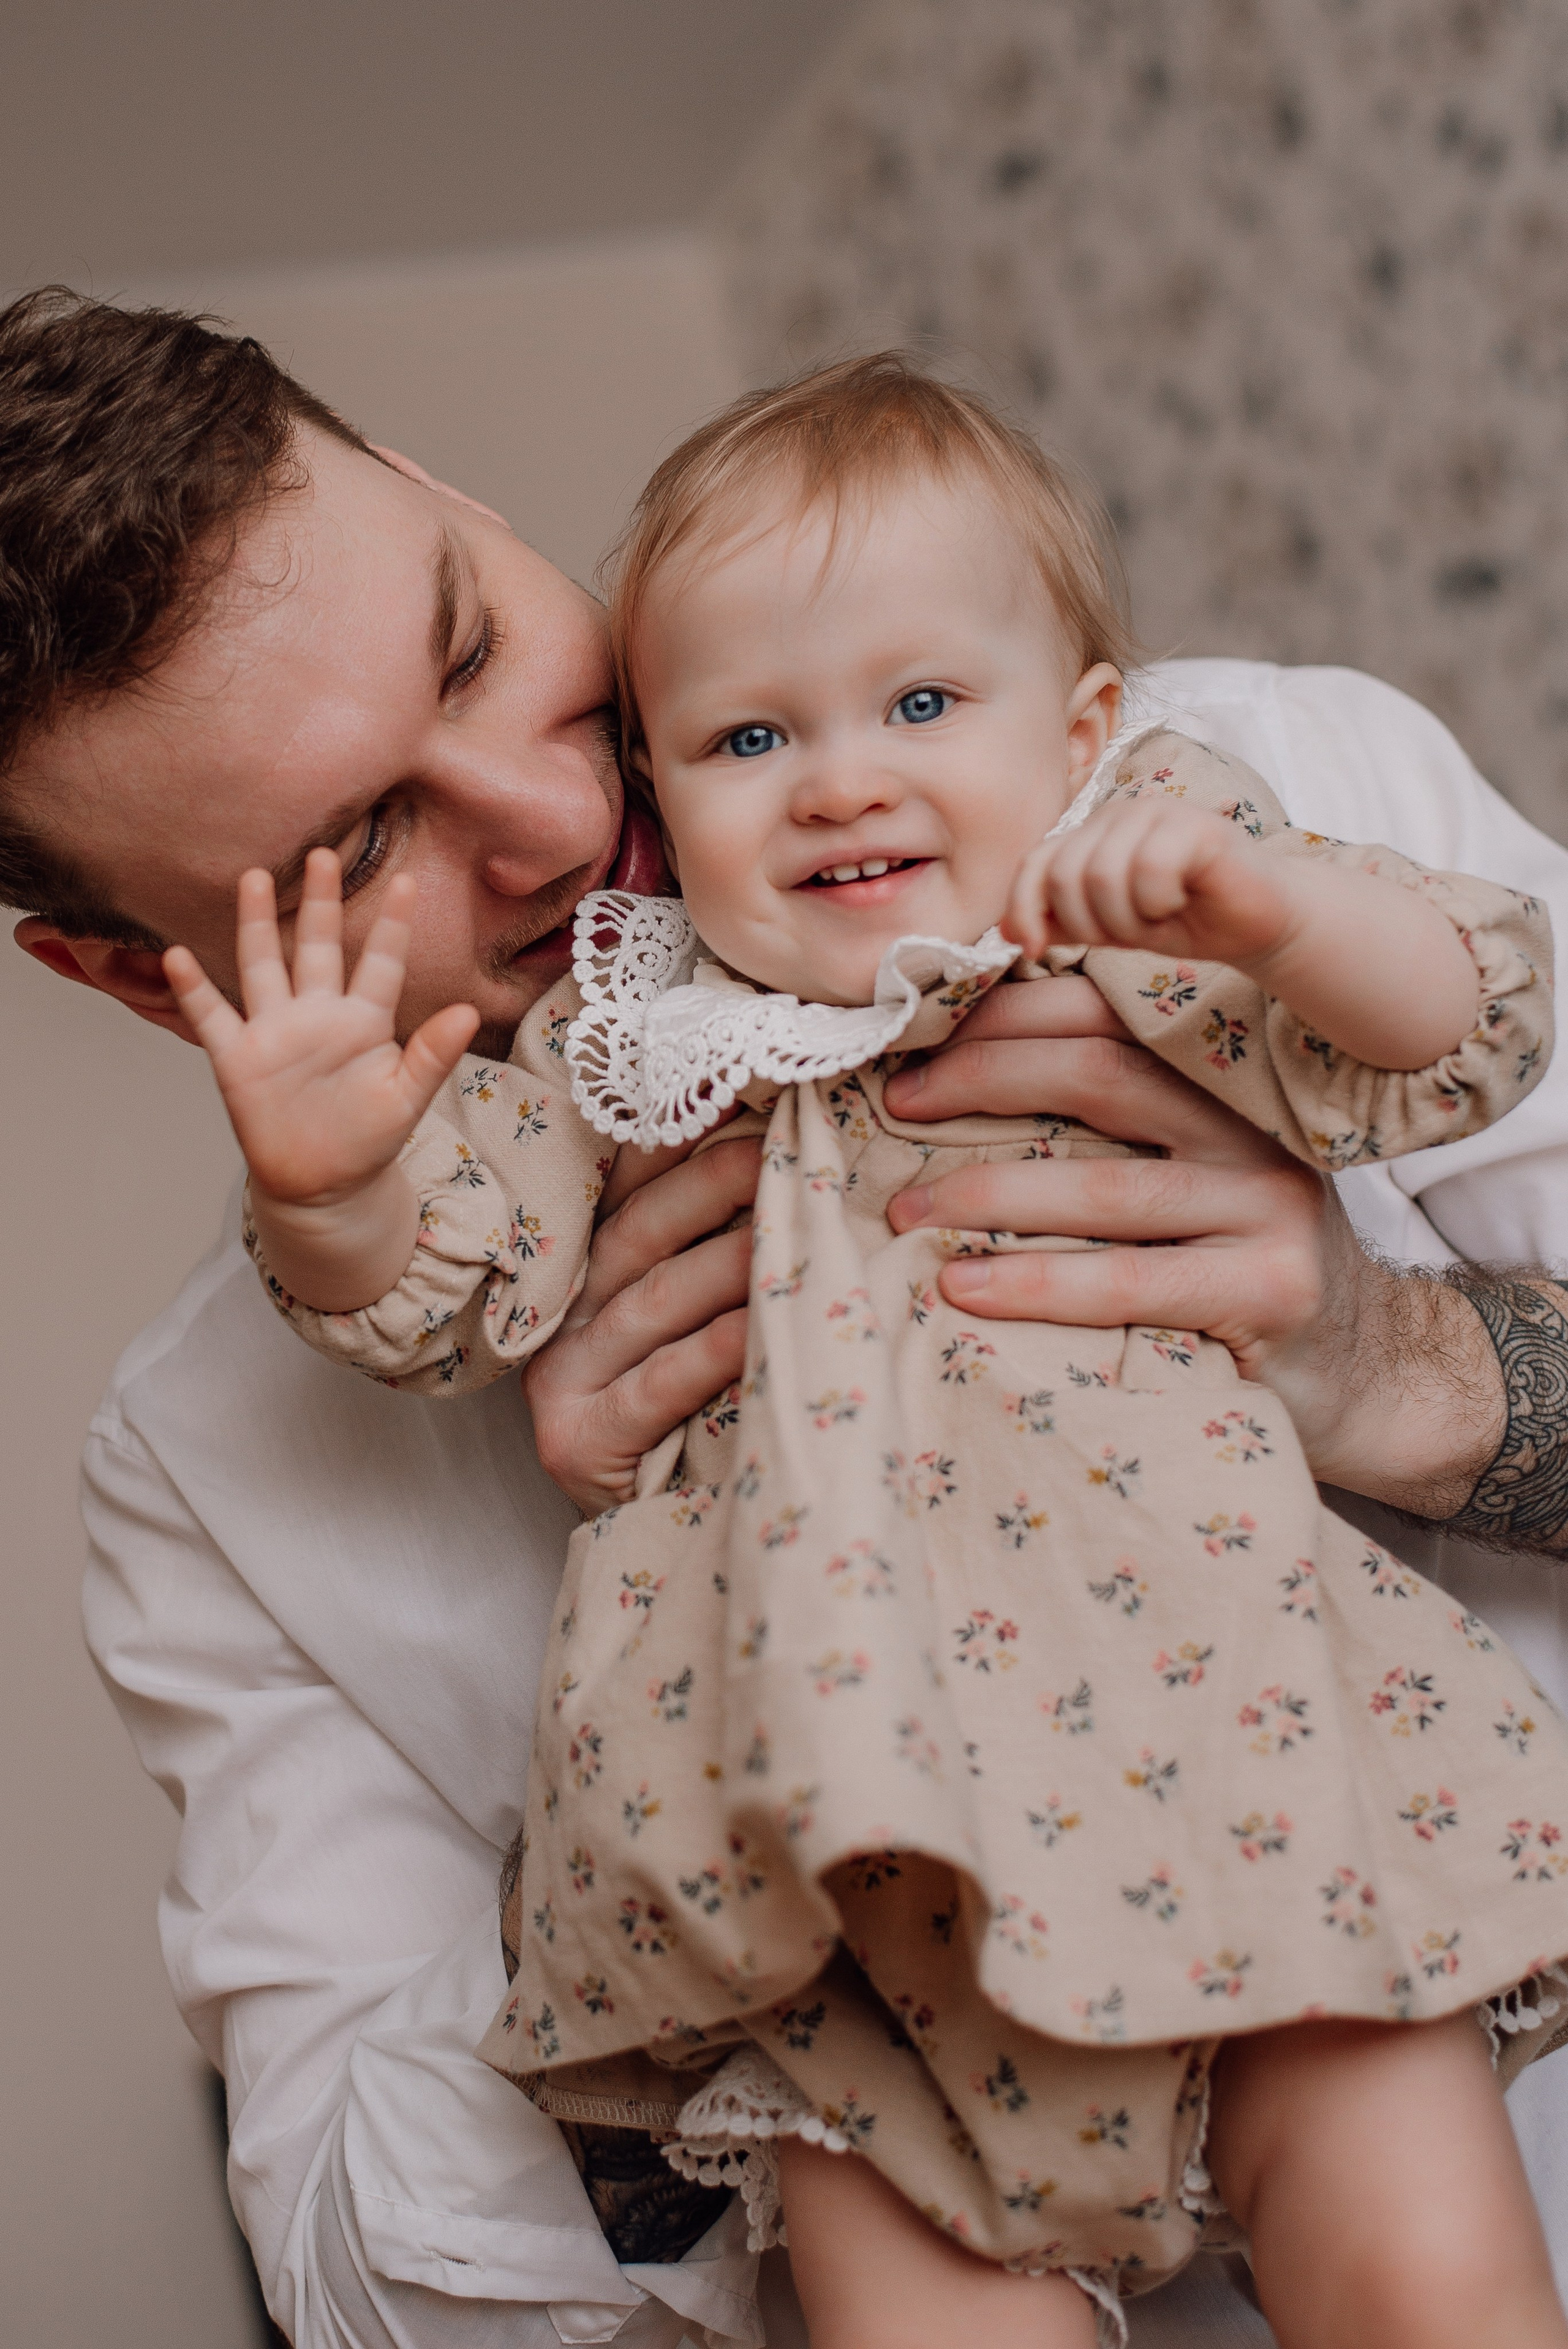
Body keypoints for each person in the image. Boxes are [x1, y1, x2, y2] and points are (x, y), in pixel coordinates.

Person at [0, 288, 1560, 2345]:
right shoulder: (210, 1461)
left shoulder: (1245, 813)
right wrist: (659, 1785)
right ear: (140, 976)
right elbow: (353, 2280)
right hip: (861, 2035)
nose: (556, 820)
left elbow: (1455, 1021)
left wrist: (1400, 1364)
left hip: (1328, 1893)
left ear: (446, 494)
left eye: (470, 645)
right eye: (358, 841)